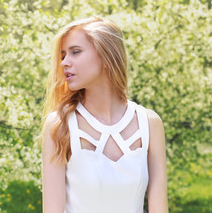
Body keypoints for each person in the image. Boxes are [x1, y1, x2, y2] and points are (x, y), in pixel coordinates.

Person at [41, 16, 168, 213]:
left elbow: (159, 208)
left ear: (106, 55)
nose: (65, 62)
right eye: (63, 55)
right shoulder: (59, 125)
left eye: (75, 52)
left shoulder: (149, 123)